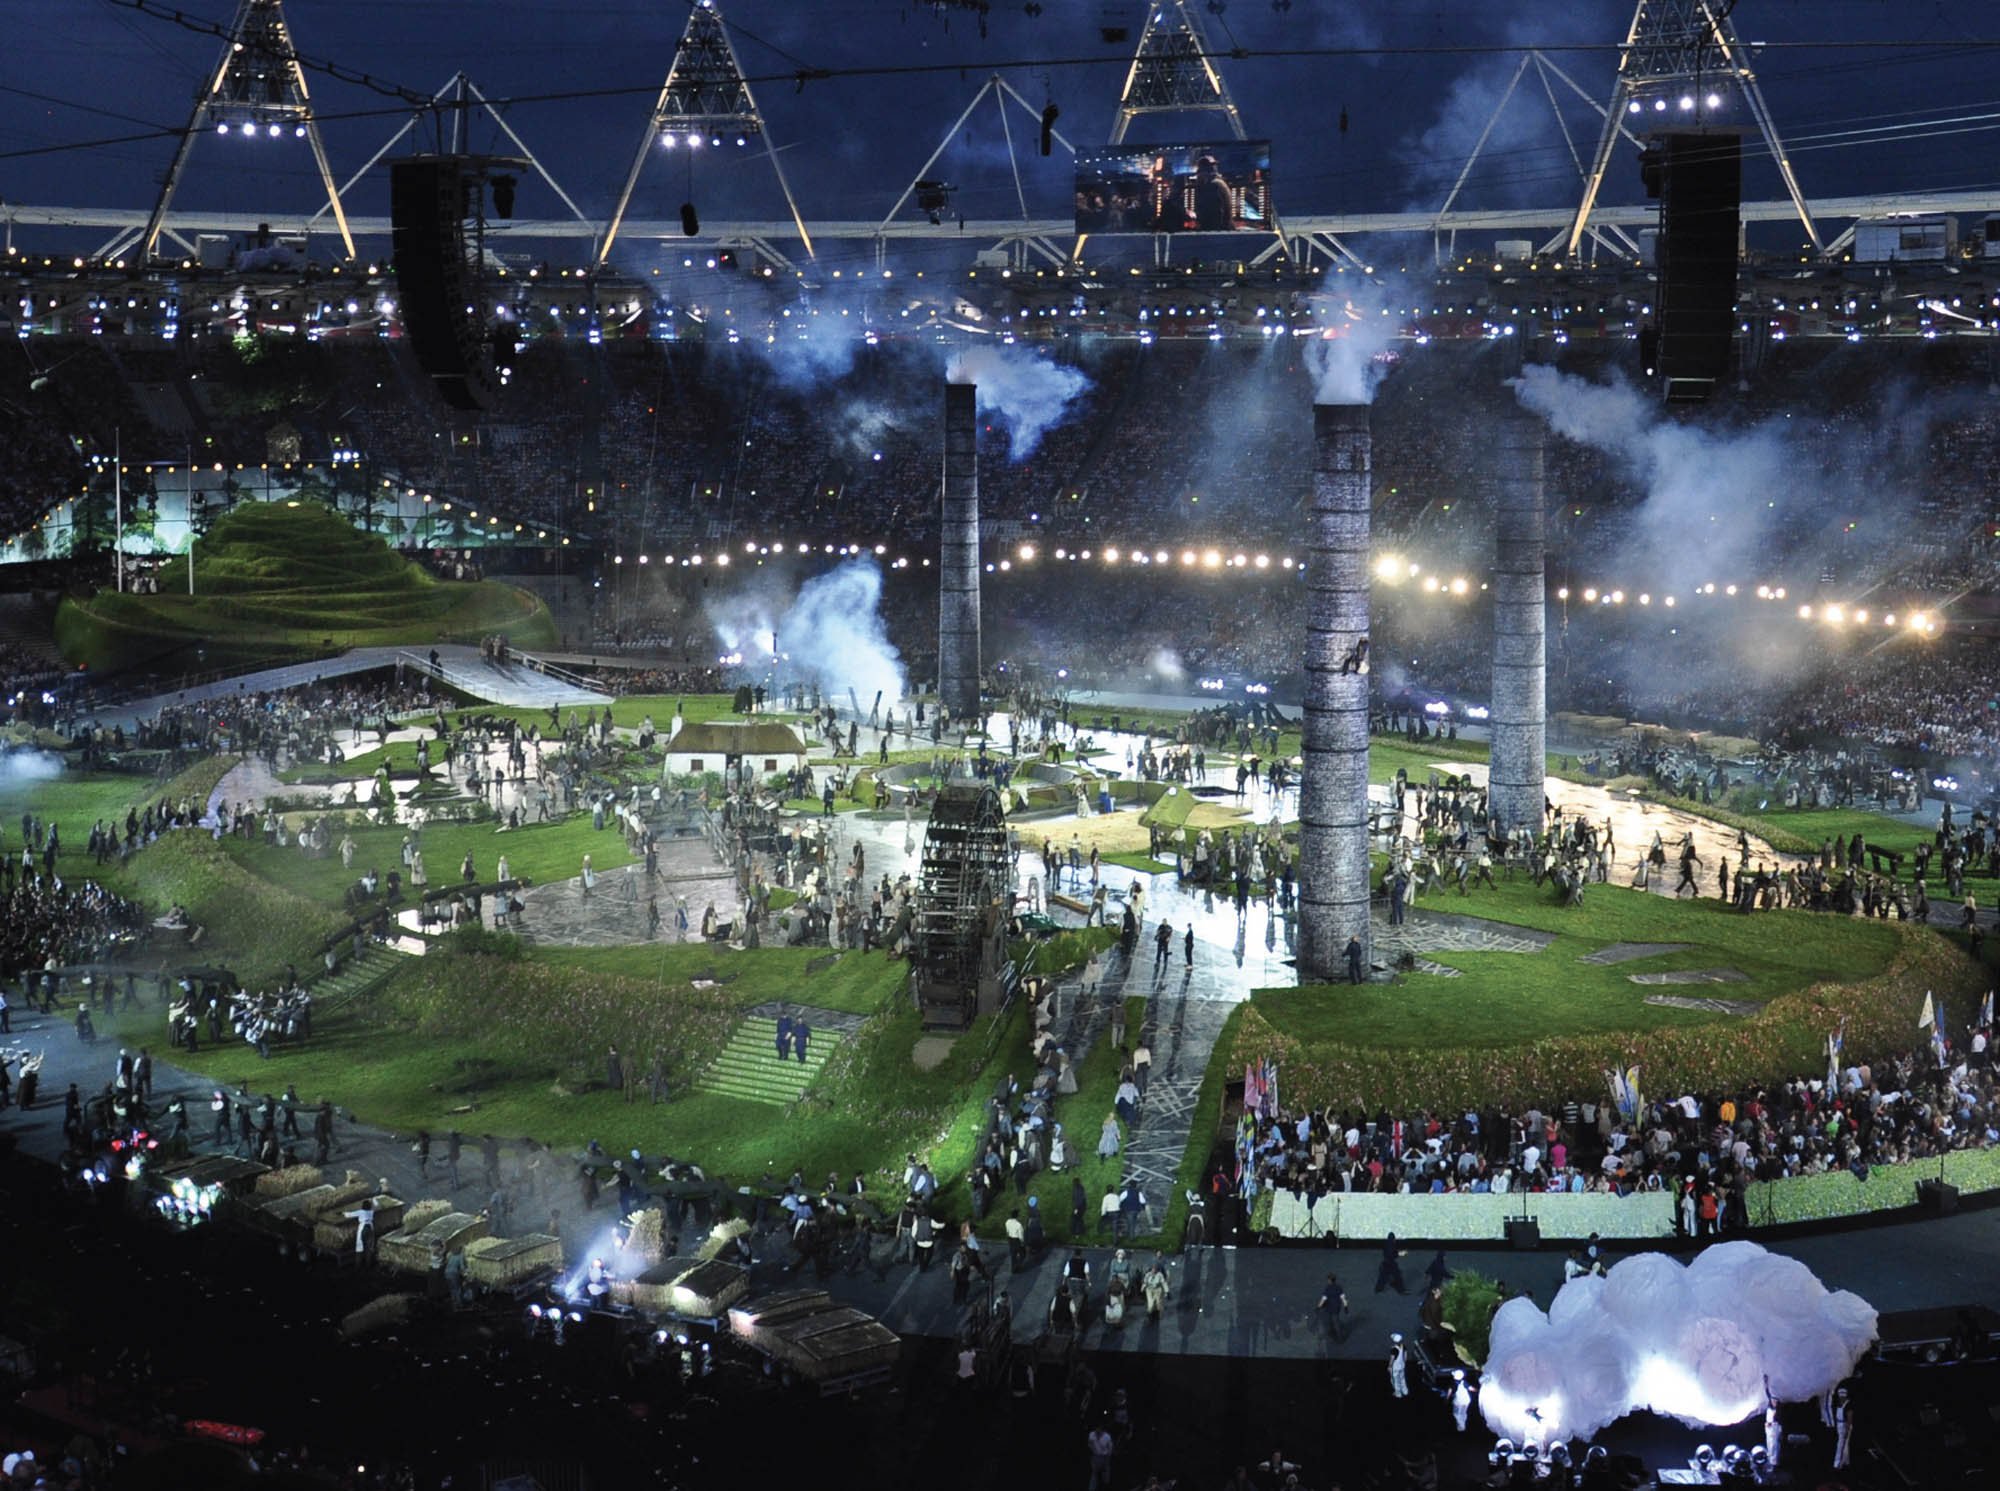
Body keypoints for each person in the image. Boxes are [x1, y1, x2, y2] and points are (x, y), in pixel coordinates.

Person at [1317, 1272, 1350, 1342]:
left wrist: (1319, 1307)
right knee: (1336, 1322)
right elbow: (1343, 1298)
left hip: (1329, 1308)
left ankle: (1336, 1336)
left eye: (1328, 1279)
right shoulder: (1339, 1288)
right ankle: (1339, 1337)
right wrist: (1346, 1306)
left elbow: (1324, 1298)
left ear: (1329, 1280)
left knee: (1331, 1322)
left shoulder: (1328, 1288)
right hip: (1337, 1308)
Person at [1388, 1332, 1408, 1398]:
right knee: (1402, 1379)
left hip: (1395, 1367)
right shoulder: (1403, 1346)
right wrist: (1404, 1363)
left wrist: (1389, 1366)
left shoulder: (1393, 1350)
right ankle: (1405, 1391)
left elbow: (1392, 1359)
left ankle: (1398, 1394)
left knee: (1396, 1381)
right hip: (1402, 1365)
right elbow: (1405, 1356)